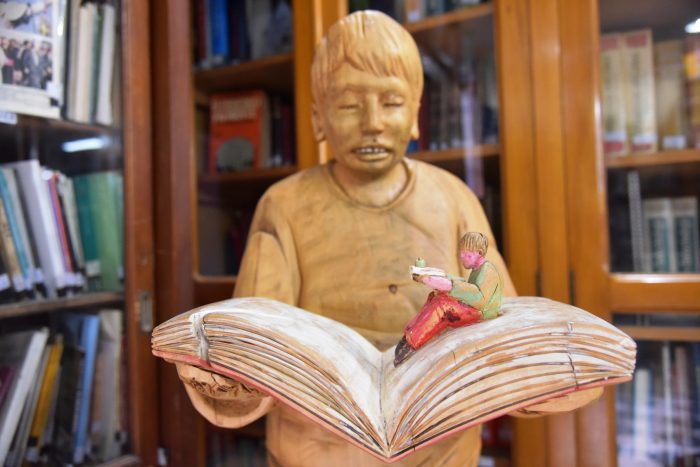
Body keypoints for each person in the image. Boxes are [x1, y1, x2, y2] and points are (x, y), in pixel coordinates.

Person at [174, 10, 601, 467]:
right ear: (318, 117)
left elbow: (500, 319)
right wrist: (230, 378)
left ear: (416, 114)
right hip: (319, 448)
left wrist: (541, 371)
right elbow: (255, 342)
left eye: (392, 103)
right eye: (348, 106)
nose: (372, 122)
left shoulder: (454, 199)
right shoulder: (285, 207)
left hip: (440, 446)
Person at [394, 231, 503, 365]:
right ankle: (409, 333)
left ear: (479, 253)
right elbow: (469, 288)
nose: (462, 258)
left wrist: (449, 285)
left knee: (442, 306)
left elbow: (479, 299)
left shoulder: (488, 270)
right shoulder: (478, 269)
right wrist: (442, 280)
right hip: (477, 308)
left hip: (483, 313)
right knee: (436, 296)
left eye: (466, 255)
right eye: (461, 254)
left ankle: (411, 343)